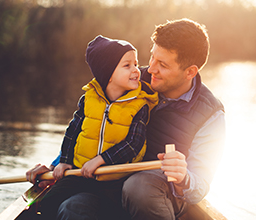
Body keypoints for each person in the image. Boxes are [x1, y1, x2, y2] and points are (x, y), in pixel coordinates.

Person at [27, 18, 225, 220]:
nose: (150, 69)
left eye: (163, 65)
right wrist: (55, 168)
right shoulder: (129, 79)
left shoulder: (211, 114)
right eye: (152, 57)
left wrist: (183, 177)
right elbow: (91, 126)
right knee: (72, 208)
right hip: (106, 187)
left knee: (138, 187)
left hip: (154, 196)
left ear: (190, 71)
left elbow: (199, 185)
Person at [25, 35, 158, 219]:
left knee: (106, 210)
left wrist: (101, 159)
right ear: (107, 74)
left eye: (136, 64)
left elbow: (133, 144)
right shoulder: (88, 99)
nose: (136, 70)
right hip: (80, 174)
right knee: (48, 203)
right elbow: (72, 132)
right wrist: (64, 160)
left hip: (115, 180)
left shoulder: (139, 105)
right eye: (127, 65)